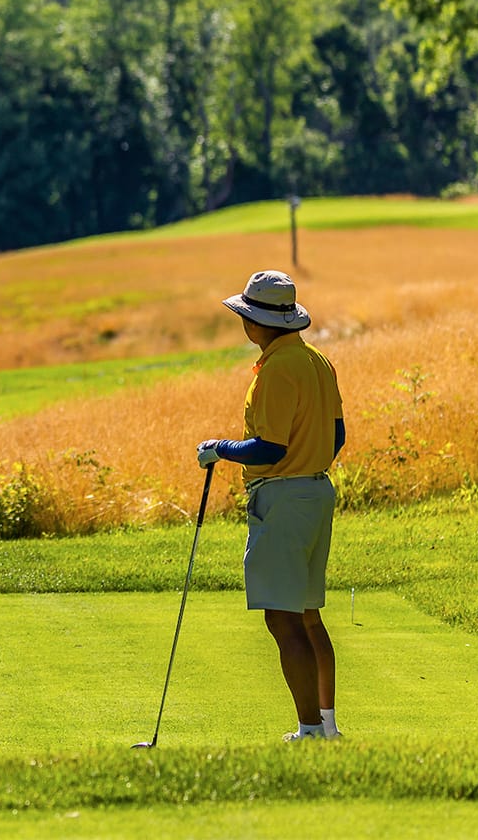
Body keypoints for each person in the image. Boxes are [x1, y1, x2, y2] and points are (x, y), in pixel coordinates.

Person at [197, 270, 347, 742]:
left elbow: (269, 447)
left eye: (245, 315)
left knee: (282, 618)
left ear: (256, 323)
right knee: (308, 615)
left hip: (283, 498)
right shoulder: (317, 360)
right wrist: (309, 460)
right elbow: (337, 436)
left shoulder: (278, 369)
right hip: (316, 492)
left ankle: (310, 731)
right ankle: (327, 727)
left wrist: (219, 449)